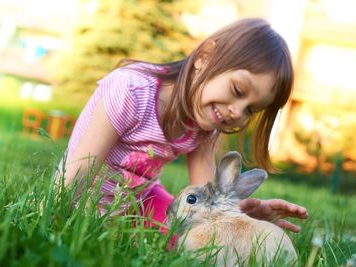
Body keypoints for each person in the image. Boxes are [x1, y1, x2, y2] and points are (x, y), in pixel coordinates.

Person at [57, 18, 308, 234]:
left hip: (141, 200)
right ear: (204, 57)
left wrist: (244, 219)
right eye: (237, 90)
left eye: (250, 110)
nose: (237, 112)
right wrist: (56, 216)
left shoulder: (204, 124)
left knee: (193, 241)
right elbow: (80, 169)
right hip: (85, 195)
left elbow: (208, 204)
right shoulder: (131, 91)